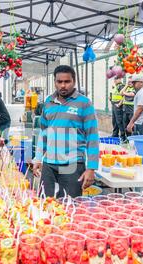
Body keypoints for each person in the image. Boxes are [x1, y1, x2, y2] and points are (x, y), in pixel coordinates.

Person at [32, 65, 99, 198]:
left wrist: (91, 168)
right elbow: (43, 133)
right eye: (59, 82)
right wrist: (38, 158)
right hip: (49, 165)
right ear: (55, 82)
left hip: (72, 164)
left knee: (70, 206)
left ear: (74, 82)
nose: (63, 85)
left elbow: (92, 137)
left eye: (67, 82)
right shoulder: (49, 102)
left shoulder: (84, 103)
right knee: (46, 205)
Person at [120, 76, 136, 142]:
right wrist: (126, 85)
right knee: (125, 125)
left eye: (130, 82)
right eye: (128, 81)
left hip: (132, 110)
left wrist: (125, 93)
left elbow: (132, 94)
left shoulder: (135, 88)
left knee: (132, 126)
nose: (129, 83)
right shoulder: (127, 88)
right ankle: (128, 138)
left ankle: (133, 139)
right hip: (125, 109)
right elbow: (121, 93)